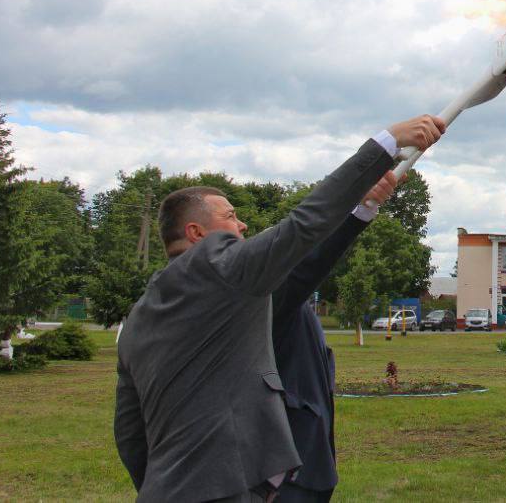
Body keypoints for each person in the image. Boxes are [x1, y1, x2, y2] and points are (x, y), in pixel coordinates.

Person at [114, 115, 445, 502]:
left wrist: (159, 487)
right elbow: (302, 226)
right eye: (230, 216)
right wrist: (386, 144)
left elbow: (130, 432)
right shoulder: (223, 271)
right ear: (197, 234)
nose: (242, 225)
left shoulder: (139, 317)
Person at [272, 169, 398, 502]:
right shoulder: (265, 294)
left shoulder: (285, 299)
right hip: (287, 475)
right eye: (230, 217)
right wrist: (359, 209)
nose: (240, 225)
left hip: (310, 463)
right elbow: (313, 260)